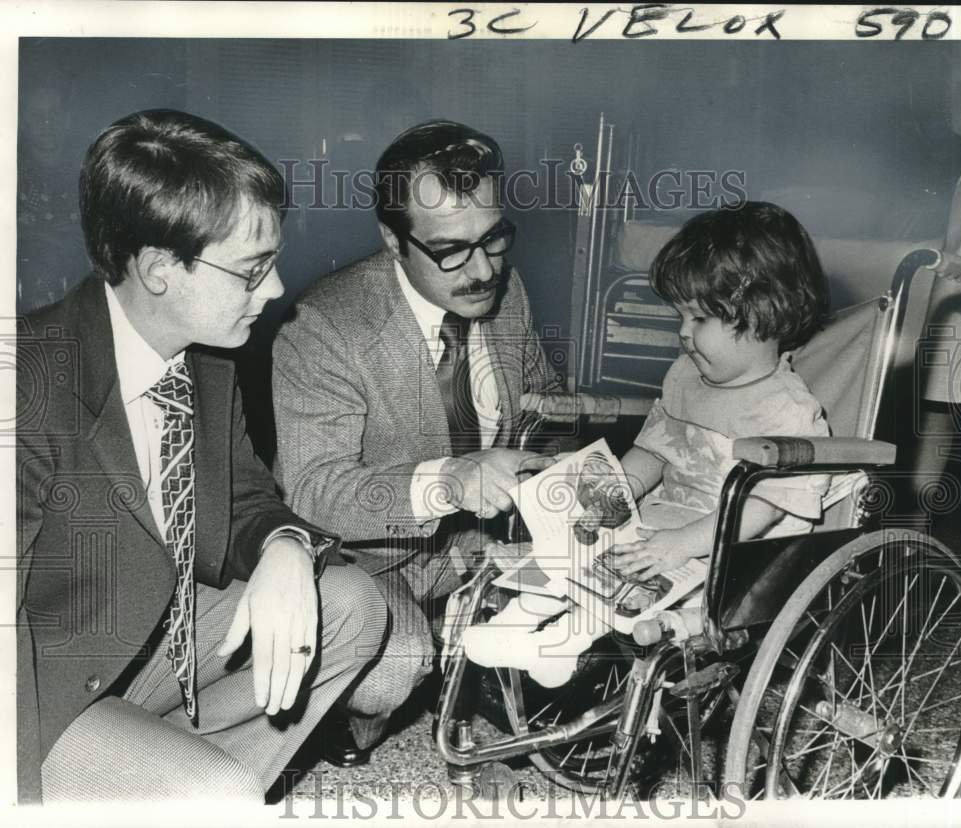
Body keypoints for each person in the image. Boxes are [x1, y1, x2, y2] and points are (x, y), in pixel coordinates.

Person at [15, 109, 388, 803]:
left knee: (351, 605)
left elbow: (244, 496)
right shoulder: (26, 383)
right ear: (159, 270)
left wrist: (283, 546)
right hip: (43, 689)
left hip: (151, 645)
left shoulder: (208, 363)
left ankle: (172, 782)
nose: (275, 291)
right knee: (214, 796)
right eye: (253, 271)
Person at [271, 120, 559, 763]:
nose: (483, 270)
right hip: (363, 557)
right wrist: (449, 481)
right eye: (450, 251)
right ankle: (336, 719)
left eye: (493, 239)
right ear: (393, 241)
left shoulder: (507, 295)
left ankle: (459, 656)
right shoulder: (322, 328)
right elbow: (313, 489)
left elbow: (540, 405)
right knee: (396, 663)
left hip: (478, 550)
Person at [463, 202, 832, 687]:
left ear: (764, 316)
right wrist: (612, 496)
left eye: (699, 319)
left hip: (723, 552)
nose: (682, 333)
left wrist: (682, 545)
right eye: (680, 316)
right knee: (572, 547)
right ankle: (518, 620)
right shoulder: (686, 376)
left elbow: (762, 508)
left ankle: (564, 643)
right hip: (657, 525)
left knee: (622, 579)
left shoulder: (787, 411)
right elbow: (655, 452)